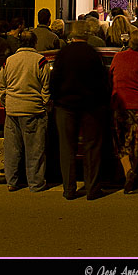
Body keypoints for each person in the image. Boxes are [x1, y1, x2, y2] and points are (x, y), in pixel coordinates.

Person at [50, 20, 110, 200]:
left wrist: (56, 98)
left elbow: (55, 79)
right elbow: (102, 81)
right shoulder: (93, 54)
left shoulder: (63, 53)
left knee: (67, 148)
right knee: (92, 148)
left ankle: (69, 188)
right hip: (91, 107)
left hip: (66, 106)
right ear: (87, 34)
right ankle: (92, 188)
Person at [0, 30, 51, 192]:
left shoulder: (9, 61)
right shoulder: (40, 61)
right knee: (35, 150)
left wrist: (8, 101)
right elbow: (46, 87)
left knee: (12, 149)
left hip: (12, 111)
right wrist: (44, 103)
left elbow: (0, 86)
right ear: (35, 43)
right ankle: (35, 183)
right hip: (33, 110)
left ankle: (11, 181)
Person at [109, 28, 138, 193]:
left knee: (121, 141)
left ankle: (128, 171)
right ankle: (131, 172)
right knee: (136, 143)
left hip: (119, 103)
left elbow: (110, 76)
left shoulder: (118, 57)